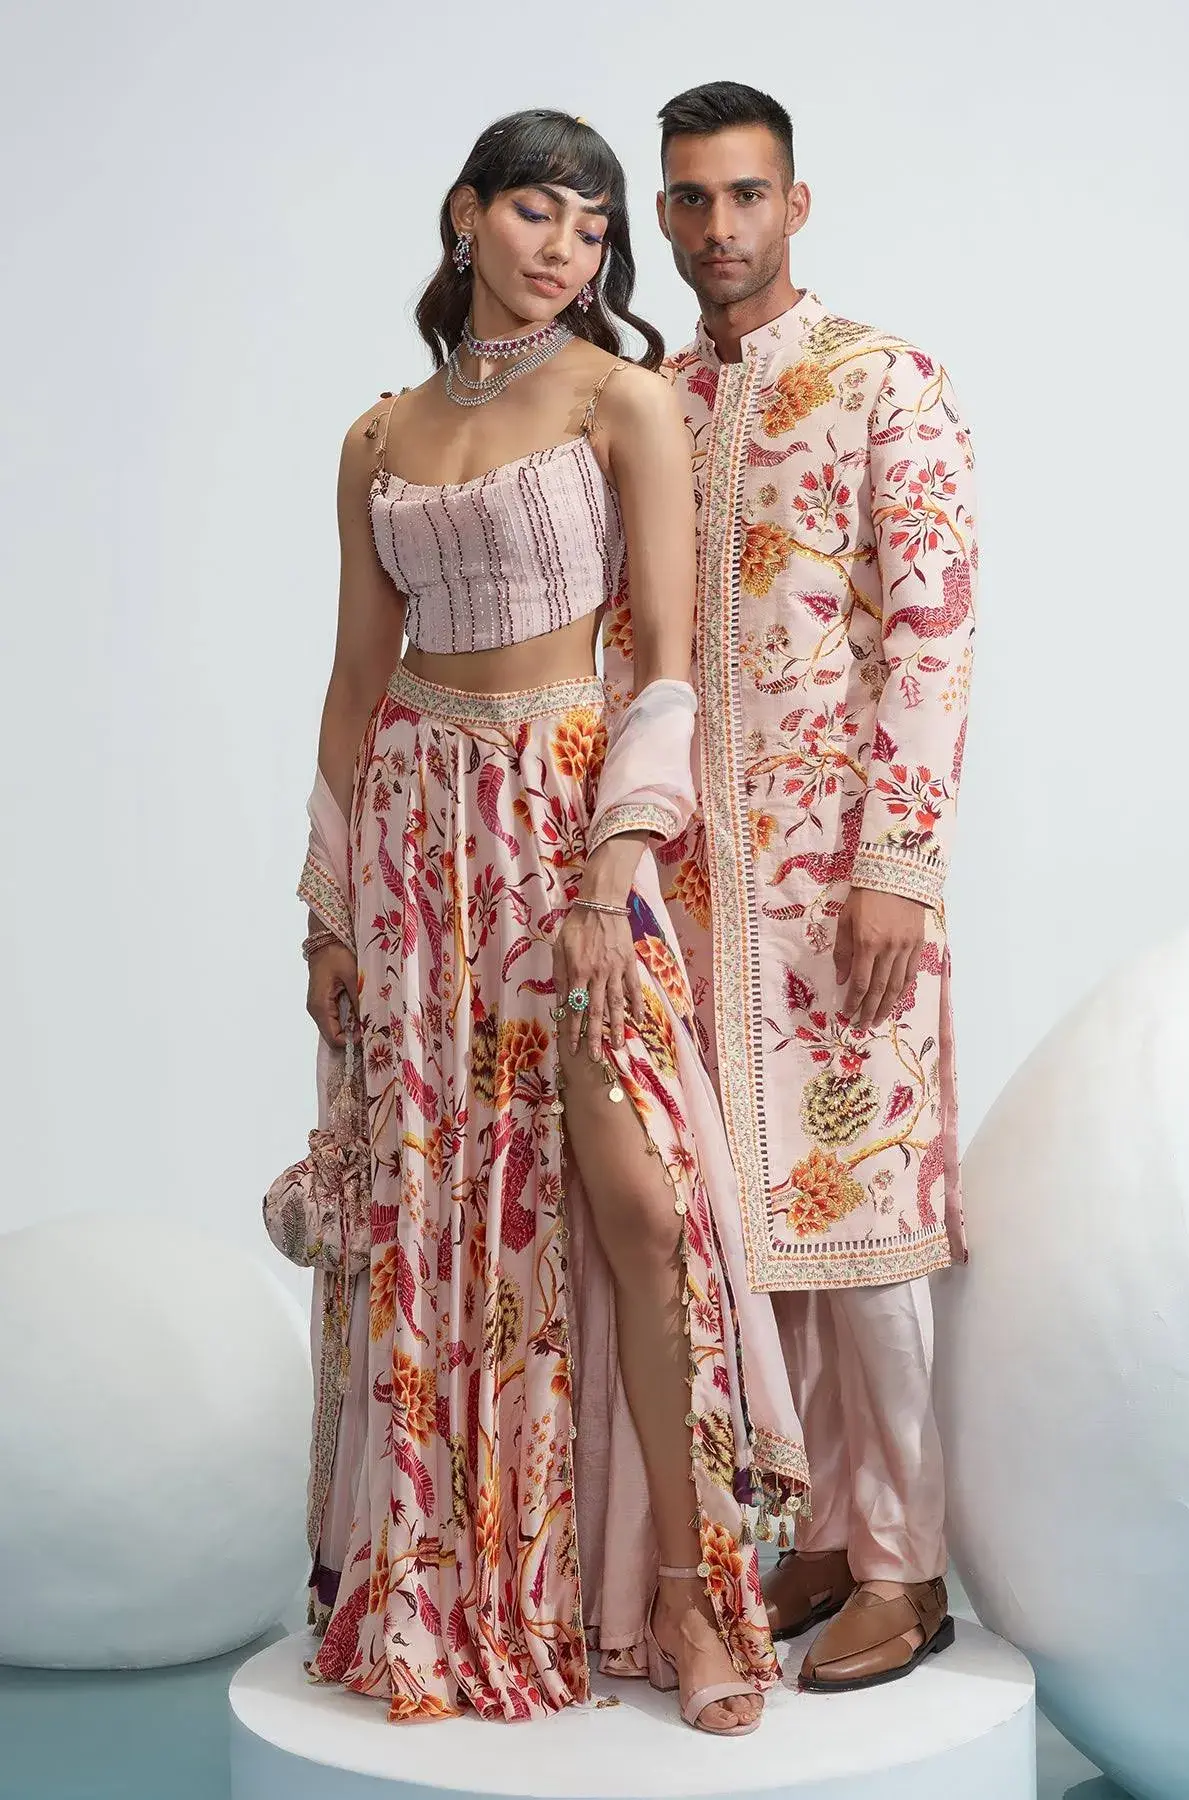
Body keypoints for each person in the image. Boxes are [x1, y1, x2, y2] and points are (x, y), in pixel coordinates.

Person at [294, 109, 809, 1733]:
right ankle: (454, 1581)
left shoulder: (619, 397)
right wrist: (324, 913)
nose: (566, 251)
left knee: (640, 1203)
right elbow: (355, 680)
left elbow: (666, 658)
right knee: (438, 1216)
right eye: (538, 212)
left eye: (594, 229)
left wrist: (612, 871)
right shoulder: (377, 436)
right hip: (415, 842)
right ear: (466, 213)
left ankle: (693, 1599)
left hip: (564, 821)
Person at [604, 81, 977, 1692]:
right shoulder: (656, 405)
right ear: (663, 213)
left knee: (867, 1220)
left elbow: (935, 634)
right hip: (700, 891)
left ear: (796, 205)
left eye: (746, 195)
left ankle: (909, 1566)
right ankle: (821, 1531)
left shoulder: (885, 381)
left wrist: (898, 863)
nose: (718, 227)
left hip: (844, 888)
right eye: (690, 198)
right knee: (755, 1225)